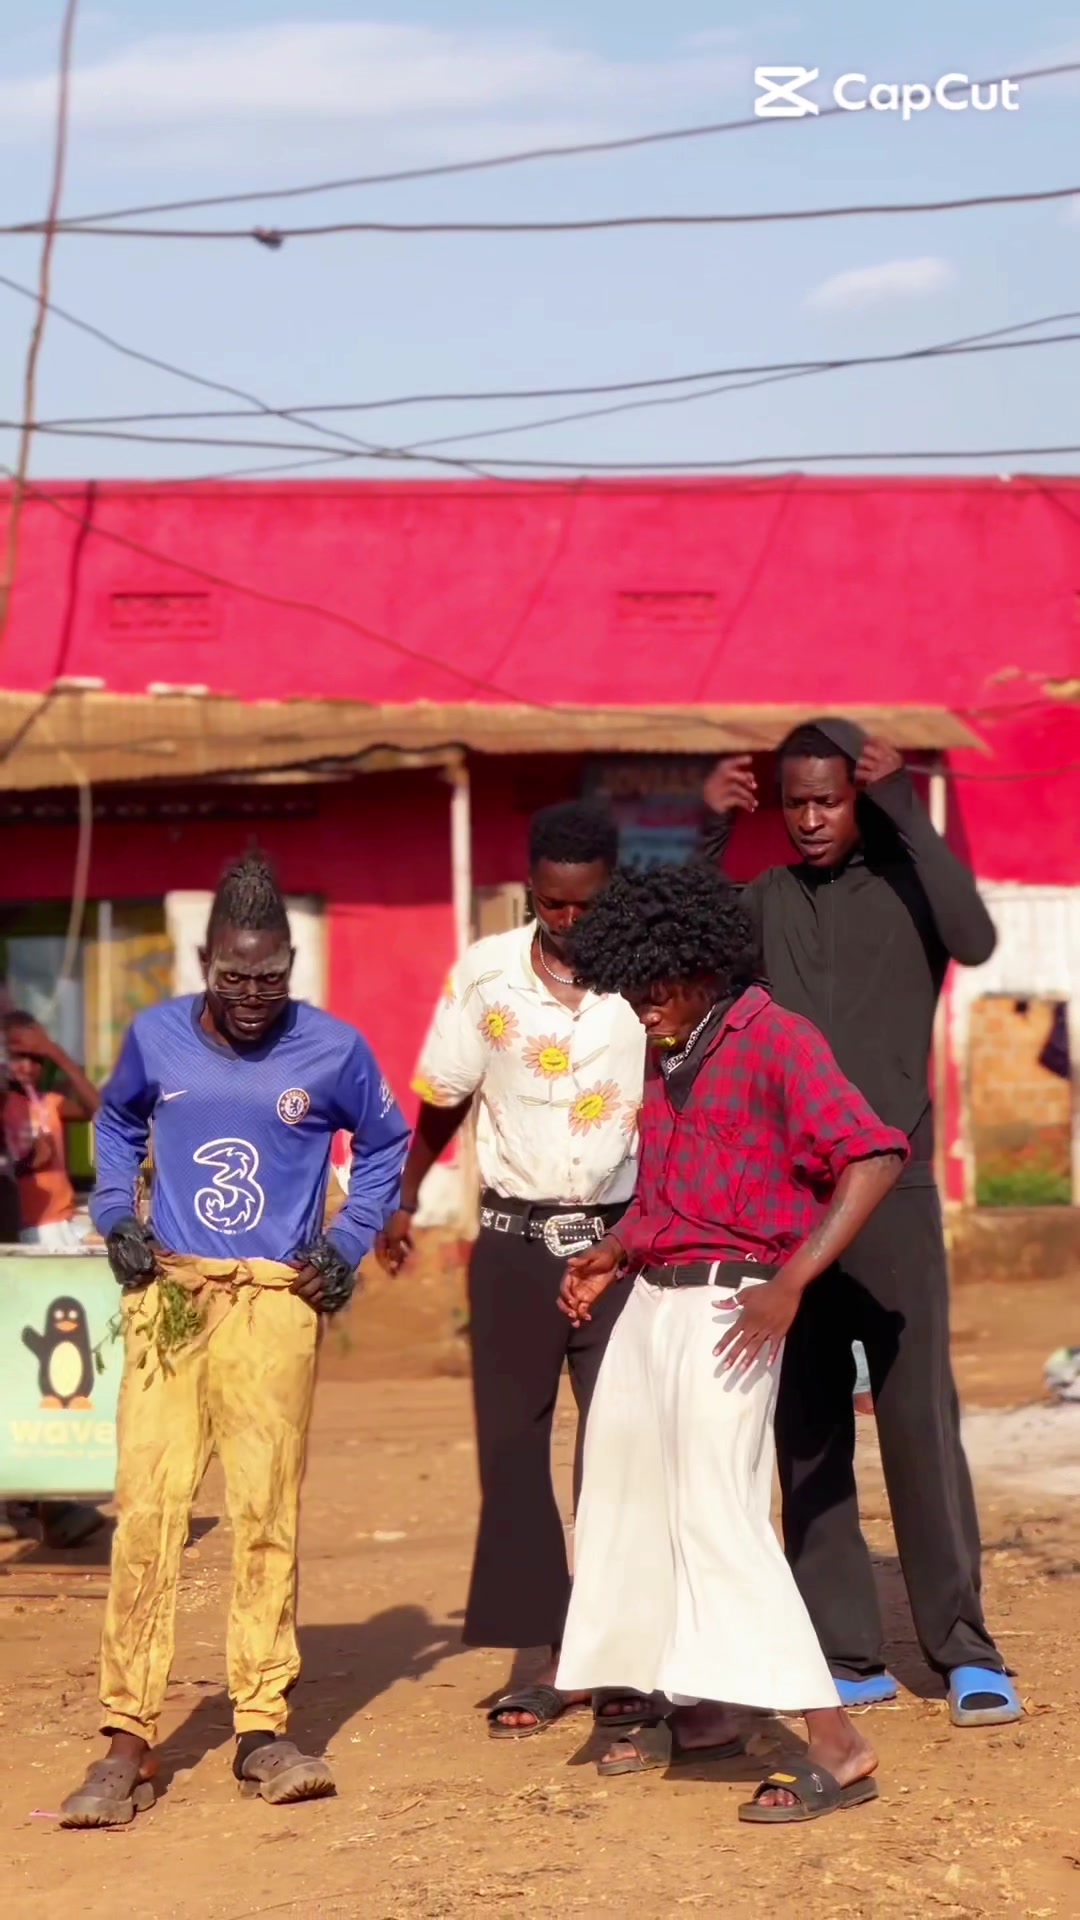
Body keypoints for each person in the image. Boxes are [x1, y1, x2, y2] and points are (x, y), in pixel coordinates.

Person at [59, 852, 409, 1827]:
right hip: (171, 1297)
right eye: (234, 976)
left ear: (292, 963)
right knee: (149, 1513)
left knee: (265, 1512)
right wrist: (114, 1214)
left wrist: (347, 1240)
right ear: (204, 962)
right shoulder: (156, 1037)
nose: (253, 996)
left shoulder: (334, 1049)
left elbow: (386, 1142)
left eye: (271, 976)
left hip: (274, 1306)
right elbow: (117, 1124)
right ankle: (127, 1739)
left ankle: (262, 1729)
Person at [554, 863, 908, 1825]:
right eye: (630, 993)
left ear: (702, 965)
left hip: (733, 1307)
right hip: (651, 1305)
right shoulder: (670, 1048)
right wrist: (615, 1250)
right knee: (630, 1501)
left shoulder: (777, 1039)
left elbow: (873, 1156)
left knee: (719, 1515)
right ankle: (705, 1707)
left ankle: (837, 1742)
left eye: (655, 989)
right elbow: (667, 1194)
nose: (643, 1009)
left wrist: (792, 1282)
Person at [701, 721, 1021, 1727]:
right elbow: (683, 949)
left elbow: (978, 937)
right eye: (794, 802)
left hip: (896, 1192)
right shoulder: (762, 902)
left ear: (856, 797)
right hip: (788, 1205)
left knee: (919, 1422)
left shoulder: (910, 893)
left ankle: (964, 1652)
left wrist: (904, 805)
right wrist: (707, 832)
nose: (808, 818)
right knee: (807, 1429)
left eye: (828, 800)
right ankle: (845, 1651)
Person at [377, 802, 647, 1740]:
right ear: (532, 890)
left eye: (586, 905)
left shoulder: (647, 976)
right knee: (513, 1455)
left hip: (622, 1246)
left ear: (612, 890)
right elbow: (444, 1096)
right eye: (552, 904)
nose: (568, 922)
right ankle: (546, 1656)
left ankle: (618, 1654)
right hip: (511, 1244)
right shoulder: (485, 972)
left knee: (619, 1449)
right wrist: (405, 1194)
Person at [3, 1010, 101, 1249]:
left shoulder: (51, 1102)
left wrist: (56, 1053)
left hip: (62, 1221)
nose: (27, 1067)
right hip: (27, 1226)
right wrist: (30, 1162)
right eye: (18, 1058)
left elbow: (101, 1112)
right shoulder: (5, 1104)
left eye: (36, 1059)